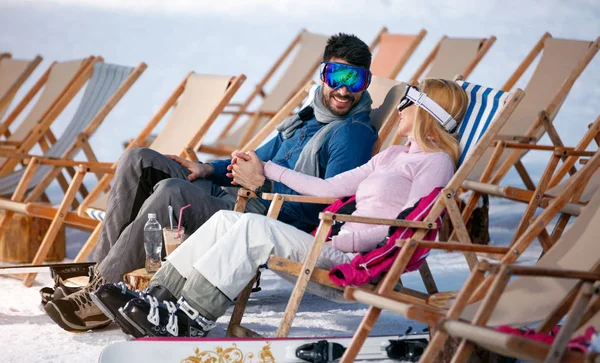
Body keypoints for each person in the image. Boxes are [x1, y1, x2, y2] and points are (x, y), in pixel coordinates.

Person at [44, 33, 379, 332]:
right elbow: (253, 160)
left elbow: (326, 204)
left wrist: (260, 184)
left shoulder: (351, 133)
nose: (344, 89)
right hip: (237, 194)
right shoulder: (304, 118)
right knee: (140, 160)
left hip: (265, 217)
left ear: (366, 82)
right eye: (337, 75)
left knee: (172, 193)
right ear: (323, 75)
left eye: (356, 79)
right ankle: (102, 279)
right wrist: (207, 169)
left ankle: (99, 295)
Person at [94, 78, 469, 338]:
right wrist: (267, 168)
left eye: (408, 103)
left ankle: (192, 316)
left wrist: (350, 240)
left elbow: (410, 227)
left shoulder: (435, 163)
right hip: (332, 241)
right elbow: (327, 188)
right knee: (227, 219)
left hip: (352, 259)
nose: (400, 109)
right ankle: (161, 297)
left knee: (250, 228)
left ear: (424, 113)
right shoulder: (393, 155)